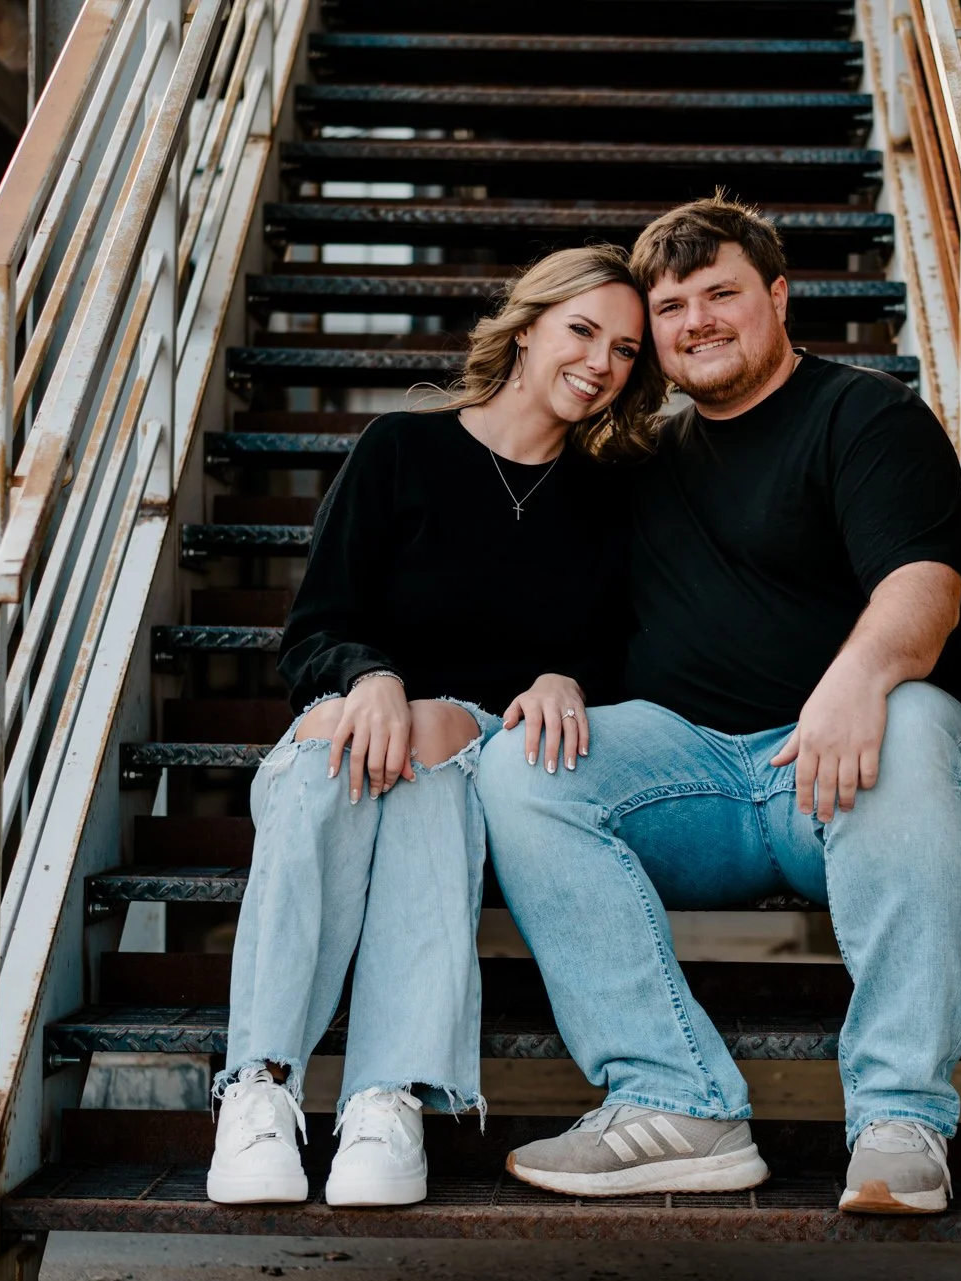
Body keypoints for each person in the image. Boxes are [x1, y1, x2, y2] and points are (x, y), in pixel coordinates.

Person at [479, 196, 961, 1215]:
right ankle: (676, 1100)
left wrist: (855, 681)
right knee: (521, 763)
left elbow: (922, 588)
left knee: (901, 725)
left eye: (720, 292)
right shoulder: (641, 462)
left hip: (865, 782)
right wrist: (553, 678)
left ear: (775, 295)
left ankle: (899, 1120)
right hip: (700, 779)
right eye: (671, 305)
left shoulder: (866, 416)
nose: (696, 320)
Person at [206, 246, 662, 1208]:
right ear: (528, 325)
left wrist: (561, 679)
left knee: (434, 762)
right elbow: (314, 630)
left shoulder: (614, 501)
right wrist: (369, 676)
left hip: (492, 754)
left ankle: (384, 1097)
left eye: (625, 349)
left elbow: (625, 655)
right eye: (582, 331)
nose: (601, 362)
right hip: (357, 731)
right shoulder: (399, 450)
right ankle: (259, 1088)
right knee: (344, 755)